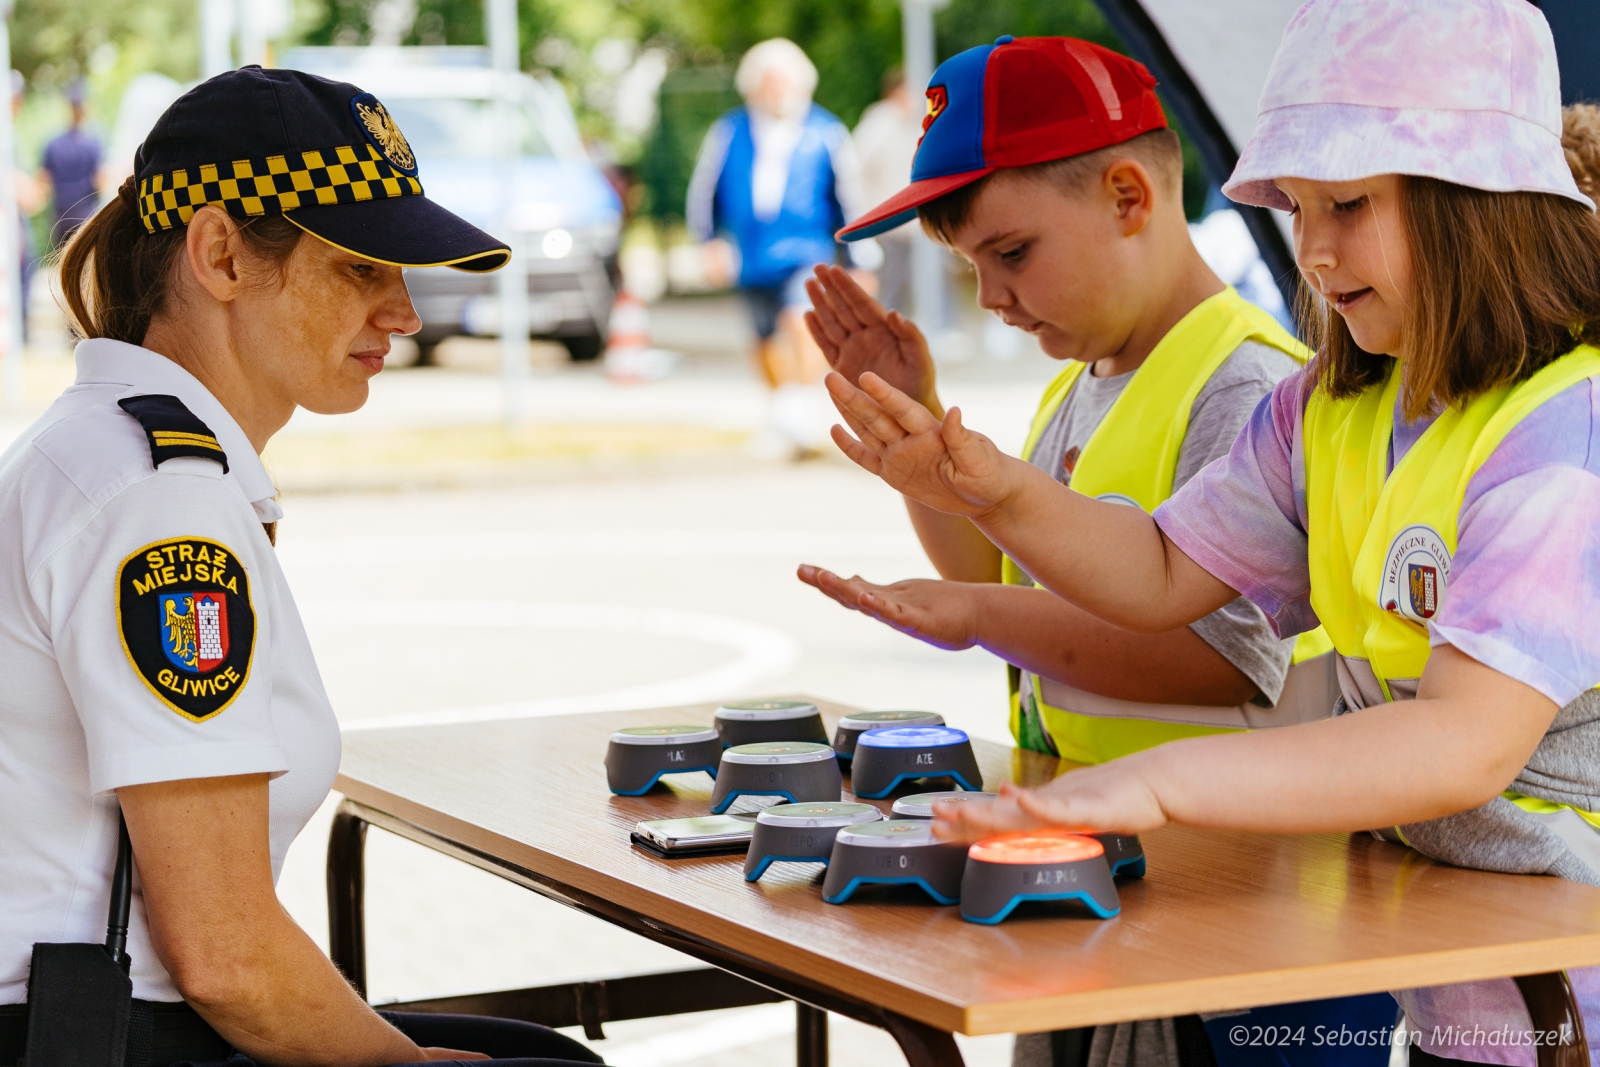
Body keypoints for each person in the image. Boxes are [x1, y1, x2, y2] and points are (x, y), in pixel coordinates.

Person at [825, 4, 1600, 1066]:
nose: (1312, 251)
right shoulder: (1334, 405)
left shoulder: (1567, 429)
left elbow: (1461, 739)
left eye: (1348, 204)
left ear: (1479, 199)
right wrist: (989, 487)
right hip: (1466, 995)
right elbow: (1158, 566)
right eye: (1295, 208)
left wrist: (1154, 782)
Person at [0, 67, 602, 1067]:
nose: (402, 313)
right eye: (362, 267)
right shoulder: (159, 500)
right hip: (97, 1037)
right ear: (221, 253)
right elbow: (226, 954)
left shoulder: (104, 447)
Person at [800, 37, 1335, 768]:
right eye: (970, 266)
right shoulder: (1078, 382)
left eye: (1012, 253)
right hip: (1109, 828)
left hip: (1232, 856)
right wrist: (921, 431)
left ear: (1128, 197)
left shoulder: (1245, 384)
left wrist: (980, 618)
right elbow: (996, 574)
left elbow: (1227, 658)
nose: (989, 297)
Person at [686, 38, 867, 455]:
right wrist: (708, 243)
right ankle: (782, 413)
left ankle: (800, 409)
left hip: (807, 249)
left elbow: (850, 198)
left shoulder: (825, 131)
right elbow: (704, 193)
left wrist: (860, 257)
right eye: (769, 82)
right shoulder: (730, 131)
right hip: (751, 252)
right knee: (763, 336)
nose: (778, 91)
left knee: (800, 320)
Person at [851, 68, 922, 314]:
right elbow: (857, 167)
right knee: (891, 280)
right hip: (888, 217)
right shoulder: (878, 123)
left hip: (917, 220)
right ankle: (888, 323)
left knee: (927, 276)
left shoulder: (919, 122)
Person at [38, 78, 103, 248]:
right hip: (86, 214)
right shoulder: (94, 142)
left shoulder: (52, 143)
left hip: (61, 217)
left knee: (63, 265)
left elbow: (43, 183)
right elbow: (100, 179)